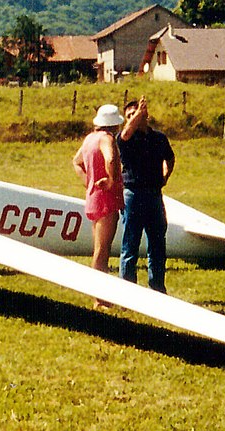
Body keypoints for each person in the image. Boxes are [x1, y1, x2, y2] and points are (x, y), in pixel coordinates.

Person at [116, 98, 176, 293]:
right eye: (129, 116)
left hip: (154, 195)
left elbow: (170, 157)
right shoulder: (125, 139)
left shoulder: (158, 138)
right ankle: (127, 290)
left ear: (147, 116)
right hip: (133, 194)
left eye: (138, 113)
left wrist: (165, 176)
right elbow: (126, 133)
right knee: (130, 245)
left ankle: (157, 287)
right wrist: (137, 115)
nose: (134, 118)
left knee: (157, 243)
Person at [73, 104, 125, 303]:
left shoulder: (89, 139)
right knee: (102, 250)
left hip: (93, 197)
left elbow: (76, 162)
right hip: (106, 198)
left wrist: (88, 181)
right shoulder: (107, 139)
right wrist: (111, 180)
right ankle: (99, 298)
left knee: (99, 248)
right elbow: (111, 159)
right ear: (114, 125)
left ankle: (100, 295)